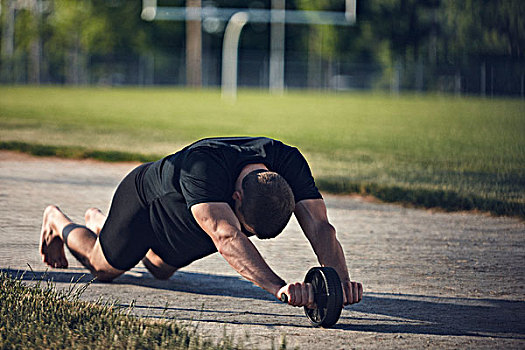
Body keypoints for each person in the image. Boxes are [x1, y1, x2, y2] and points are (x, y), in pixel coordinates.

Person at [40, 137, 362, 308]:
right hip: (144, 205)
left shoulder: (287, 161)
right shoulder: (204, 167)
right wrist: (279, 287)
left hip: (192, 219)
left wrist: (339, 282)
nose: (244, 234)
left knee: (160, 269)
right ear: (235, 198)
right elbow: (226, 237)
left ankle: (102, 223)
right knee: (103, 268)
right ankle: (59, 220)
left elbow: (321, 227)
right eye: (245, 227)